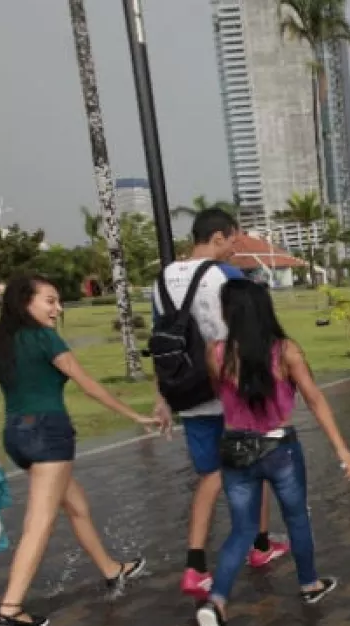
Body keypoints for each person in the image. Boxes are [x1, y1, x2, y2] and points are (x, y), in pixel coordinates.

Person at [0, 276, 156, 626]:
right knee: (39, 522)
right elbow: (85, 382)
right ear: (24, 300)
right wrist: (134, 415)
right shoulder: (44, 337)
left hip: (16, 436)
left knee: (76, 504)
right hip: (48, 434)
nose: (57, 309)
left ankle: (110, 569)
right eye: (50, 301)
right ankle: (10, 608)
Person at [195, 281, 350, 626]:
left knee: (242, 529)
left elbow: (221, 395)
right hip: (279, 448)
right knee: (296, 516)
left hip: (234, 448)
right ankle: (309, 583)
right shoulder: (285, 351)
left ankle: (217, 600)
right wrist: (341, 449)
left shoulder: (216, 352)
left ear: (229, 312)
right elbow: (315, 400)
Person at [152, 209, 277, 602]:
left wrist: (163, 396)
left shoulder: (162, 279)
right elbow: (247, 337)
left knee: (209, 476)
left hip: (187, 393)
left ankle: (194, 566)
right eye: (234, 240)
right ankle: (259, 546)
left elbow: (162, 340)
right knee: (254, 467)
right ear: (219, 237)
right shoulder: (227, 278)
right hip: (230, 393)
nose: (235, 248)